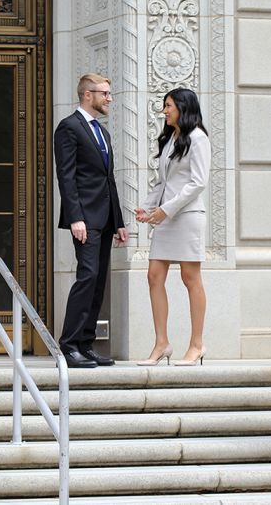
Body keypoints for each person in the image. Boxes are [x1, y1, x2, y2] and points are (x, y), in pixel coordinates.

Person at [53, 73, 129, 368]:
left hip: (105, 218)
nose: (109, 99)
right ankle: (68, 345)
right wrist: (75, 218)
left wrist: (119, 221)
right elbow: (66, 176)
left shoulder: (103, 133)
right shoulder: (69, 128)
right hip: (84, 218)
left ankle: (86, 344)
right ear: (88, 94)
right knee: (87, 277)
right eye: (105, 94)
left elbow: (108, 180)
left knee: (98, 282)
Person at [134, 88, 212, 366]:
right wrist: (148, 207)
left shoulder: (198, 138)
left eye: (169, 106)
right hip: (166, 218)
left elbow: (198, 182)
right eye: (164, 106)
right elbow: (162, 182)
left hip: (187, 216)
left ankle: (197, 344)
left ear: (183, 107)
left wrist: (166, 210)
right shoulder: (171, 139)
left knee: (191, 278)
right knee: (154, 276)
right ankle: (161, 343)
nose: (165, 110)